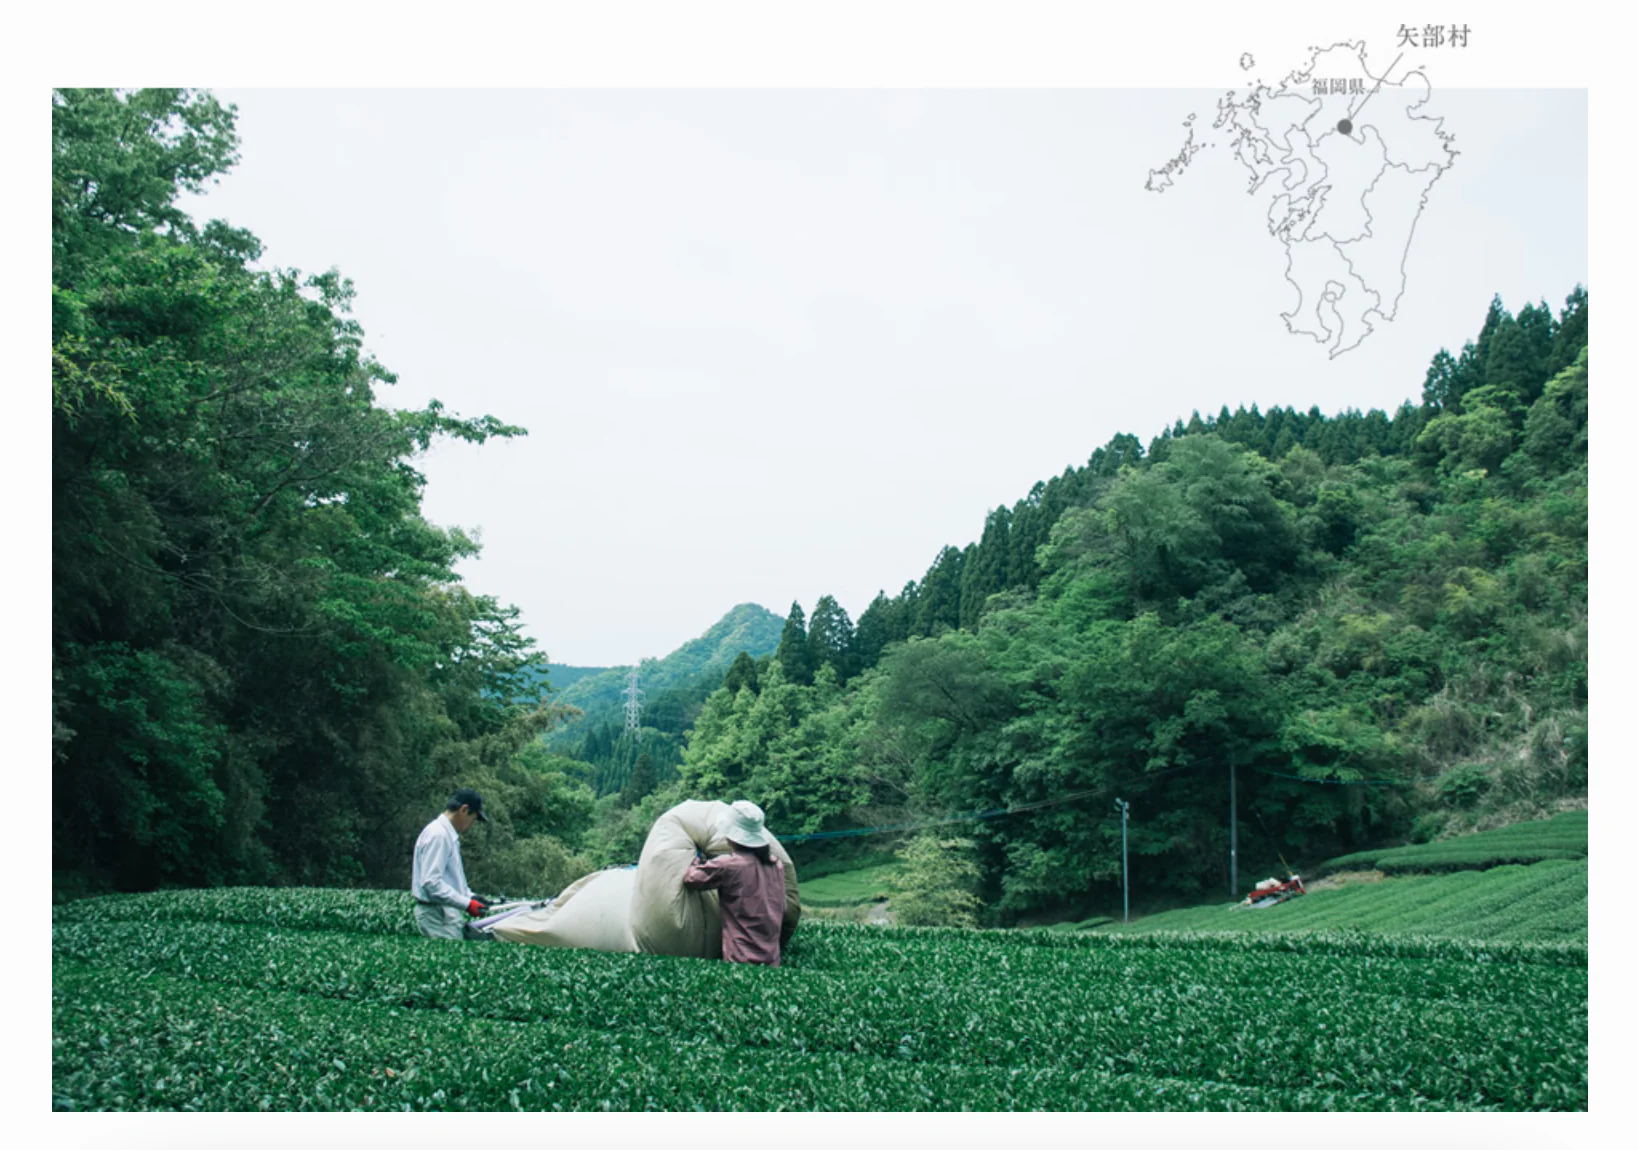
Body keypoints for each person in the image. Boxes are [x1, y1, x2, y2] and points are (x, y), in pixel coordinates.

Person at [683, 800, 787, 967]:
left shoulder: (729, 865)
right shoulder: (777, 865)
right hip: (772, 959)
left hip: (740, 960)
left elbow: (691, 879)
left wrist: (696, 859)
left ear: (732, 837)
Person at [410, 788, 492, 941]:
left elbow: (451, 879)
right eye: (473, 818)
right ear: (464, 810)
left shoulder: (447, 835)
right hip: (437, 915)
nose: (471, 824)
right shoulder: (439, 835)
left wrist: (471, 896)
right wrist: (467, 904)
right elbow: (431, 883)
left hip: (445, 912)